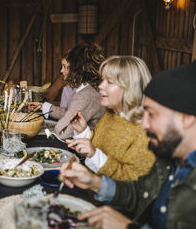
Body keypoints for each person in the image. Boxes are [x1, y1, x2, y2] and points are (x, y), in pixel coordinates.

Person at [60, 61, 196, 229]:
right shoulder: (170, 161)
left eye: (152, 115)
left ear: (186, 118)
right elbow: (140, 193)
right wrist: (95, 182)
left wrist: (126, 226)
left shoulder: (157, 145)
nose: (144, 125)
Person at [67, 56, 155, 181]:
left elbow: (133, 184)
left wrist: (94, 155)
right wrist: (83, 132)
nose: (100, 86)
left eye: (110, 82)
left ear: (130, 88)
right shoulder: (110, 115)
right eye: (103, 80)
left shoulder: (145, 133)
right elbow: (99, 147)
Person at [29, 42, 106, 139]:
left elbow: (62, 132)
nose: (61, 71)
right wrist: (43, 106)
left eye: (65, 67)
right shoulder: (91, 88)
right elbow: (70, 112)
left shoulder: (85, 95)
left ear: (76, 69)